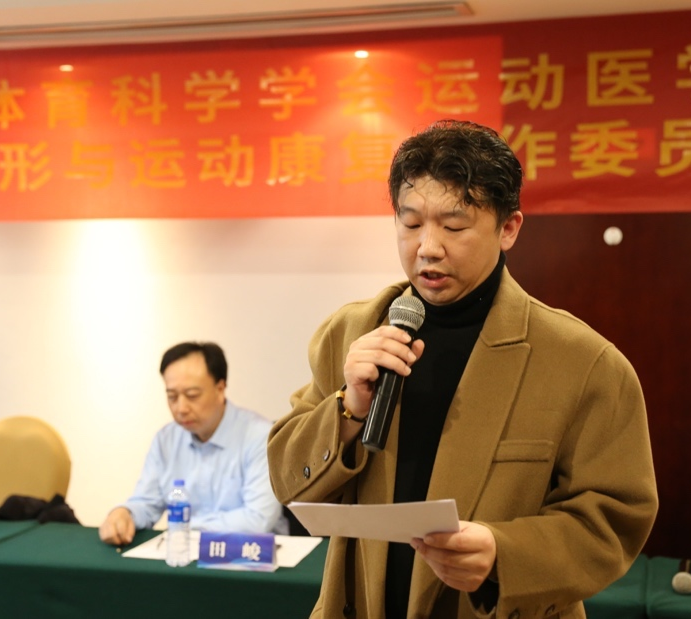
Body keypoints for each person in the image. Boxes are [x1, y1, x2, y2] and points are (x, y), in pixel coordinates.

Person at [268, 120, 658, 619]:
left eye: (453, 226)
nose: (428, 247)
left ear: (509, 228)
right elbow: (288, 482)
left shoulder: (584, 362)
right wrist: (349, 408)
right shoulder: (351, 331)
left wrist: (503, 554)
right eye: (410, 224)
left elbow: (614, 522)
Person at [99, 341, 283, 545]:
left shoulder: (259, 436)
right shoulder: (166, 440)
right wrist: (124, 514)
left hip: (253, 555)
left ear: (220, 389)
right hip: (186, 553)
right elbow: (147, 503)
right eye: (172, 397)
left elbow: (258, 519)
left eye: (192, 395)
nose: (181, 408)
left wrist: (184, 527)